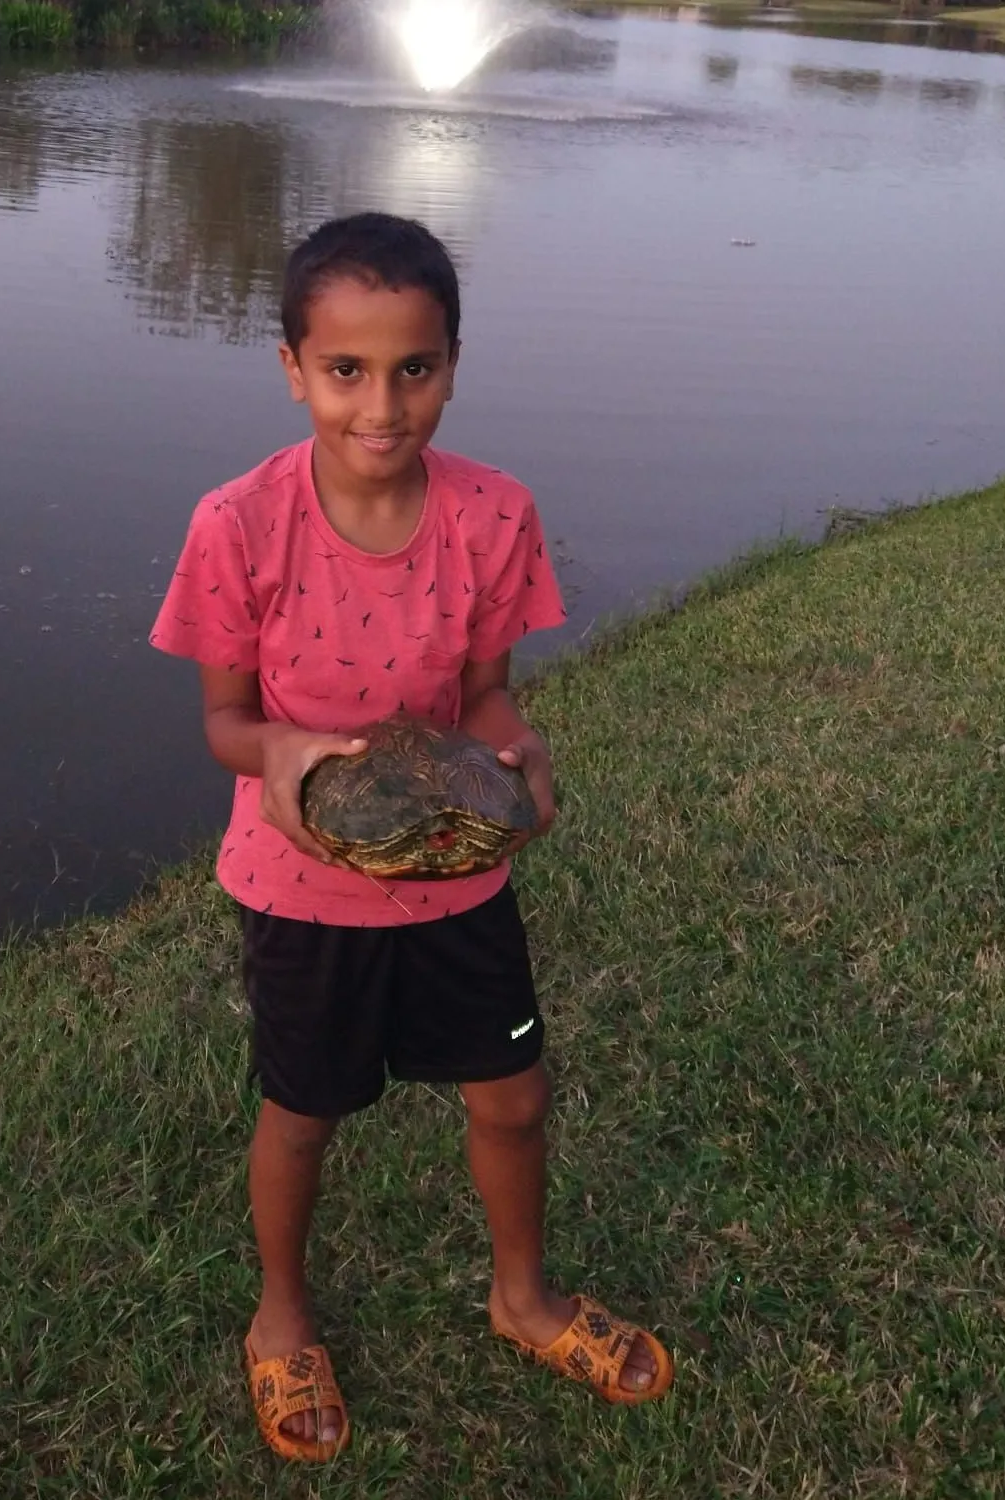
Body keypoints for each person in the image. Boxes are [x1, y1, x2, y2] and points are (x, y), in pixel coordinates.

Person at [149, 212, 673, 1463]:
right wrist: (278, 754)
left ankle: (524, 1297)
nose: (381, 406)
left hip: (453, 872)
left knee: (513, 1096)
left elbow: (483, 695)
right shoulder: (237, 523)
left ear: (452, 362)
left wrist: (517, 751)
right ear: (291, 366)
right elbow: (227, 721)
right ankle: (281, 1317)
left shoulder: (494, 515)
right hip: (300, 885)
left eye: (415, 369)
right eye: (345, 371)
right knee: (304, 1111)